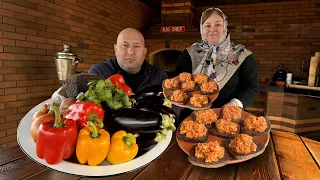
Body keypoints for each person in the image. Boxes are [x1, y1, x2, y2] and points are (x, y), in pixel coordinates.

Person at [175, 8, 259, 109]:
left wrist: (235, 104)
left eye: (218, 24)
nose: (212, 29)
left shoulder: (241, 54)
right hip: (192, 114)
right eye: (207, 25)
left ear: (225, 27)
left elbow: (252, 87)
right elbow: (178, 81)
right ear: (202, 29)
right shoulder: (189, 53)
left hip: (226, 116)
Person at [88, 28, 168, 93]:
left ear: (144, 52)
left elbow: (172, 109)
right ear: (115, 49)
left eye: (136, 46)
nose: (130, 52)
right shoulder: (99, 73)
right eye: (124, 45)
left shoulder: (159, 76)